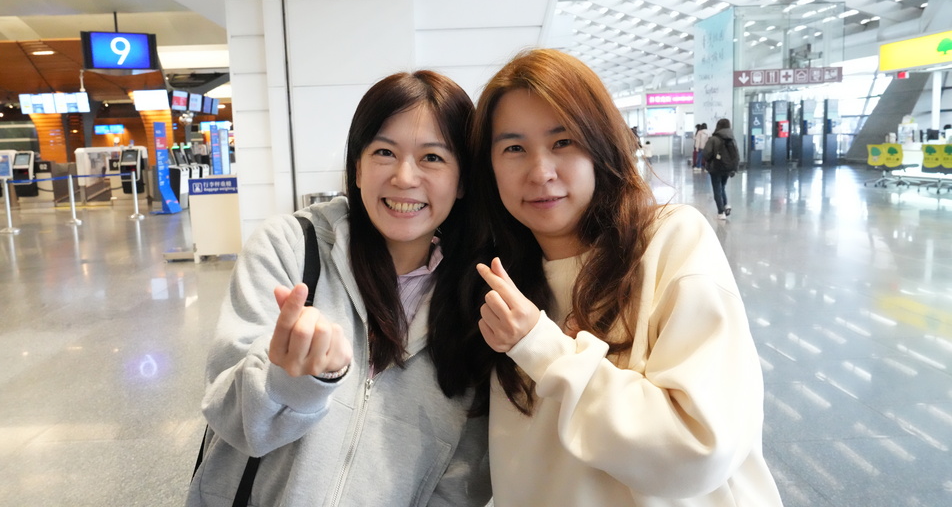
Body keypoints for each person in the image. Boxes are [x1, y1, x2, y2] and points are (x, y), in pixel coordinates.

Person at [462, 49, 782, 506]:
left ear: (601, 145)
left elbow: (699, 448)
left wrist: (541, 347)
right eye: (514, 148)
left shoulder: (669, 241)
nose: (541, 172)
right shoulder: (498, 278)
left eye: (563, 141)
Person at [186, 71, 491, 506]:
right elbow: (231, 420)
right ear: (358, 168)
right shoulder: (291, 248)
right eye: (384, 152)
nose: (405, 177)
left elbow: (464, 476)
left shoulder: (476, 299)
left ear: (462, 182)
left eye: (432, 157)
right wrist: (290, 378)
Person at [702, 118, 739, 220]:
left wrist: (709, 162)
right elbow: (736, 155)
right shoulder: (732, 139)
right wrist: (734, 168)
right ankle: (726, 205)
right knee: (722, 187)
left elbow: (706, 154)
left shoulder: (714, 139)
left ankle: (721, 212)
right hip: (727, 168)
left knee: (717, 189)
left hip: (716, 168)